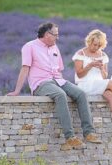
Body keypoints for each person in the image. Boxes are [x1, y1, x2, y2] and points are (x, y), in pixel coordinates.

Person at [8, 22, 101, 150]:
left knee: (80, 94)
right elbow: (25, 69)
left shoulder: (54, 47)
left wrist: (65, 85)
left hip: (58, 80)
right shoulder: (29, 47)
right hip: (41, 83)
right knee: (60, 94)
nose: (57, 37)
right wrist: (16, 91)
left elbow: (59, 69)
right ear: (47, 34)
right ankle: (70, 137)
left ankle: (89, 132)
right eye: (55, 35)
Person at [72, 29, 112, 129]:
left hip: (98, 84)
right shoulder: (81, 54)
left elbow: (104, 76)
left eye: (99, 45)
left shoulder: (103, 55)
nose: (96, 47)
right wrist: (89, 66)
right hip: (85, 84)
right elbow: (79, 75)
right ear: (89, 42)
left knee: (110, 95)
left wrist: (102, 69)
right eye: (94, 44)